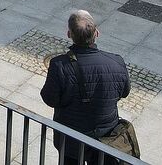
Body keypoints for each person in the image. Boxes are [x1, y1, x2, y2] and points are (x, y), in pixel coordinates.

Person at [41, 10, 131, 165]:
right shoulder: (116, 62)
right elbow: (124, 92)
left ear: (69, 34)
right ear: (97, 33)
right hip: (105, 139)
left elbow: (50, 98)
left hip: (71, 139)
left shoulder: (59, 65)